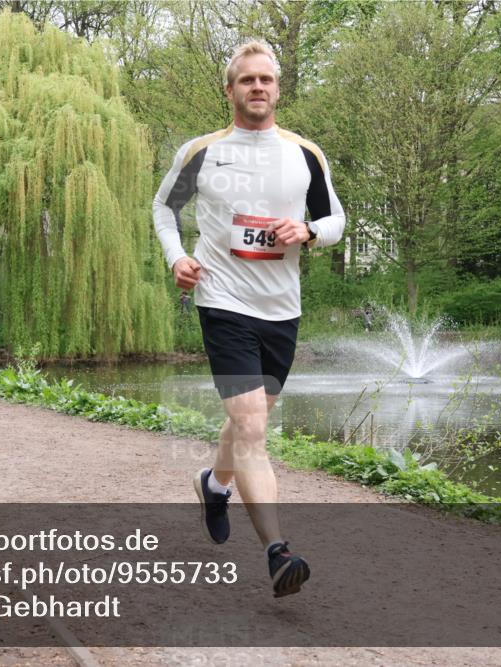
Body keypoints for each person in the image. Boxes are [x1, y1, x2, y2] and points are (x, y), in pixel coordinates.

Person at [153, 41, 346, 597]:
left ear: (278, 88)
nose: (257, 88)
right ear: (230, 89)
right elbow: (165, 208)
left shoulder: (304, 153)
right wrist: (177, 258)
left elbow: (334, 217)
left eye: (266, 79)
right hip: (223, 303)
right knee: (254, 429)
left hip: (282, 309)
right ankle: (277, 552)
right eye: (246, 80)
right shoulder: (203, 152)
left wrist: (308, 232)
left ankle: (214, 485)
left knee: (249, 421)